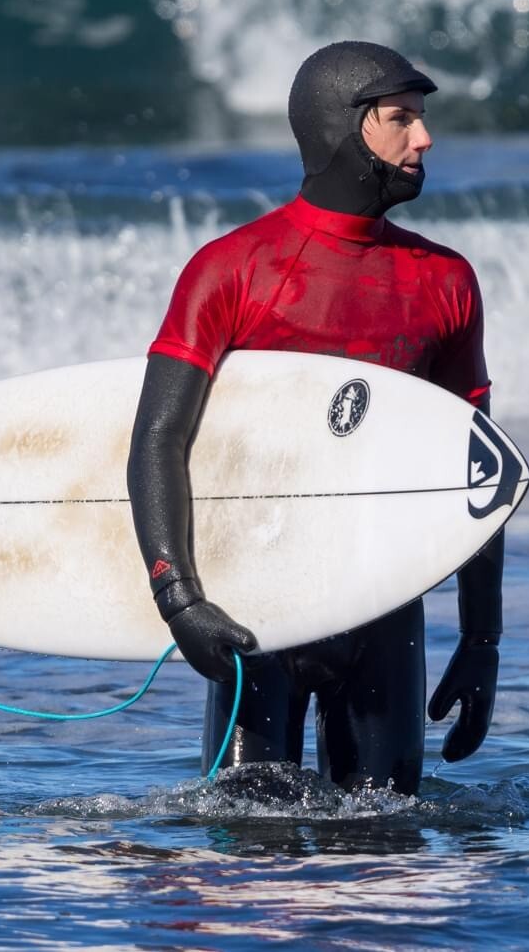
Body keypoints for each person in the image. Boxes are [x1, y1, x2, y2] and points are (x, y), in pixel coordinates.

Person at [126, 41, 504, 795]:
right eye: (401, 119)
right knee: (244, 857)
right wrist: (179, 600)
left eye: (422, 119)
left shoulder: (447, 281)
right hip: (253, 609)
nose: (424, 139)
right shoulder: (233, 269)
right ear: (344, 126)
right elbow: (158, 440)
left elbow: (476, 469)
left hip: (386, 609)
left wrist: (481, 635)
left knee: (386, 856)